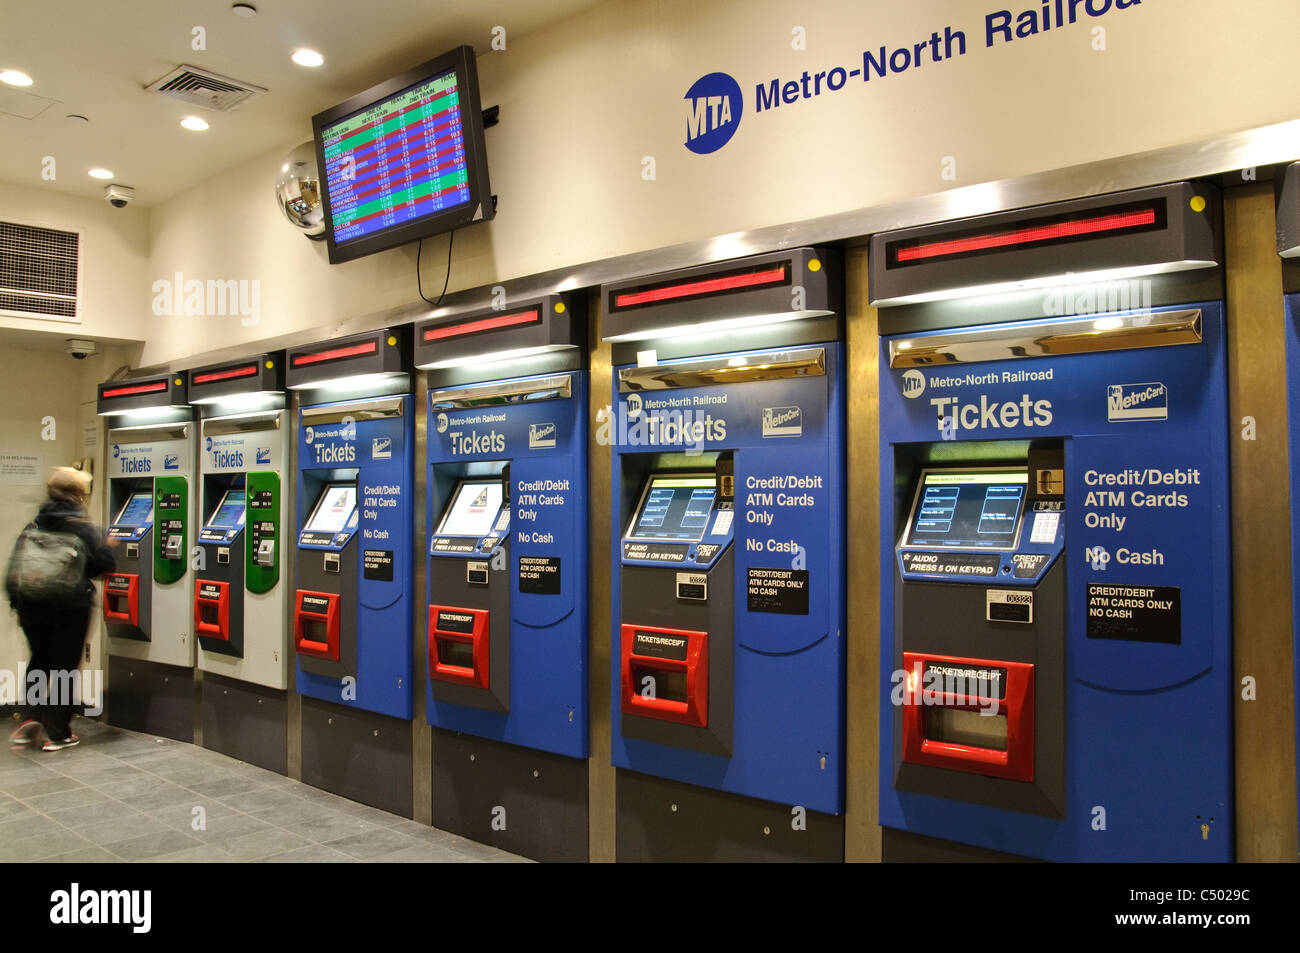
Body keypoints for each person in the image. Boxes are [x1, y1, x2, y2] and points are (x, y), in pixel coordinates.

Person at [7, 467, 115, 751]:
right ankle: (57, 733)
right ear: (78, 495)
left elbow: (13, 571)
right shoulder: (81, 526)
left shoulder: (34, 524)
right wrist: (108, 545)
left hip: (32, 608)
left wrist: (18, 605)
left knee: (39, 661)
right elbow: (103, 564)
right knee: (64, 667)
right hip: (69, 609)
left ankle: (28, 718)